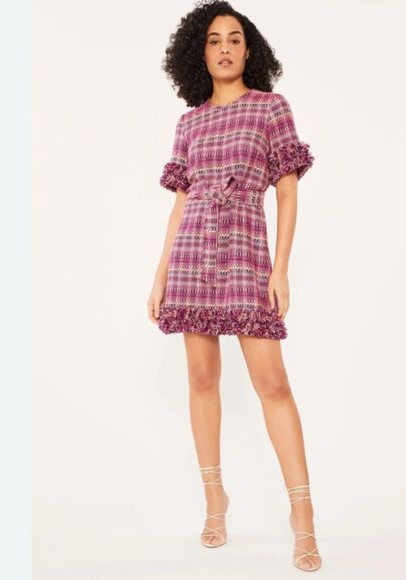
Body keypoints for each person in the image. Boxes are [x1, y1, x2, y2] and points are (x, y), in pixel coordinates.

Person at [147, 0, 322, 572]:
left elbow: (287, 192)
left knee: (272, 382)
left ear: (250, 51)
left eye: (235, 39)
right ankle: (214, 498)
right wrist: (160, 273)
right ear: (198, 53)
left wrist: (281, 269)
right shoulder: (189, 123)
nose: (225, 48)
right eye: (214, 40)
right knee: (201, 378)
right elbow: (180, 205)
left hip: (247, 256)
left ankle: (303, 515)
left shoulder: (271, 109)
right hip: (191, 259)